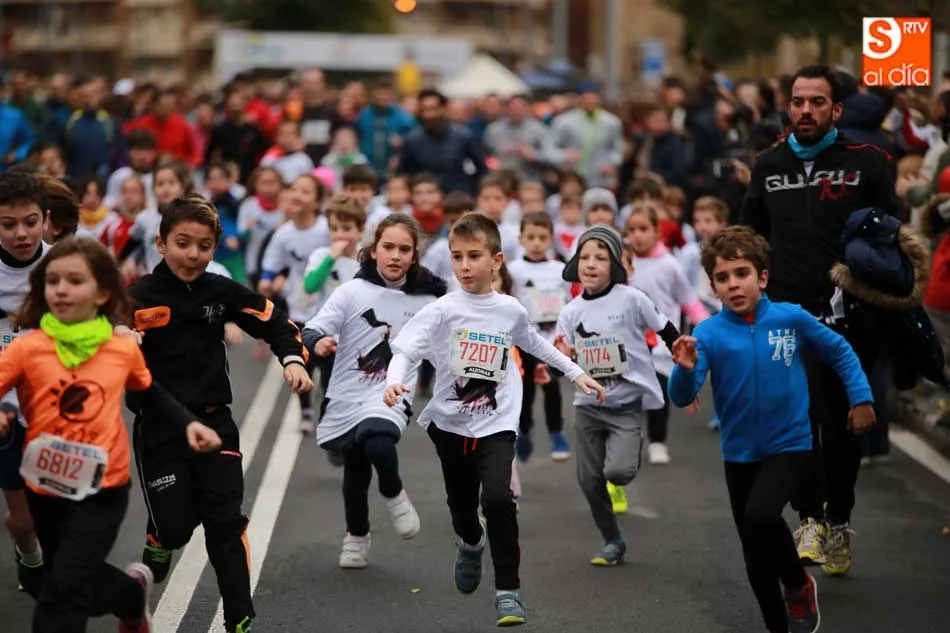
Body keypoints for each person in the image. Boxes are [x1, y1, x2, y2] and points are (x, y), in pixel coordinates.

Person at [383, 212, 604, 627]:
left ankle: (508, 591)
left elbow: (534, 342)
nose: (464, 266)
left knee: (499, 499)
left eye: (474, 256)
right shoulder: (442, 310)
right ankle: (470, 543)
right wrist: (396, 382)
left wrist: (576, 373)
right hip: (450, 423)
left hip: (498, 422)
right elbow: (406, 350)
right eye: (457, 257)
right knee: (463, 507)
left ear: (496, 260)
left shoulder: (509, 310)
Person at [0, 236, 221, 633]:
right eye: (53, 282)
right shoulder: (27, 348)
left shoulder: (119, 348)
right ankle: (130, 596)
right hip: (46, 484)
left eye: (74, 281)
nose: (61, 290)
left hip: (103, 487)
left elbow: (147, 390)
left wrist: (189, 422)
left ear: (102, 292)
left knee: (60, 592)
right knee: (69, 576)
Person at [668, 226, 875, 633]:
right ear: (713, 286)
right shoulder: (707, 333)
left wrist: (861, 397)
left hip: (791, 445)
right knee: (754, 553)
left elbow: (840, 351)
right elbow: (682, 395)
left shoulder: (790, 318)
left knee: (762, 517)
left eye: (742, 273)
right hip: (739, 453)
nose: (733, 284)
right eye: (723, 278)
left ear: (762, 277)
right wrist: (683, 367)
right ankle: (778, 624)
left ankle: (798, 584)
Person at [740, 64, 899, 575]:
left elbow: (891, 236)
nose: (806, 110)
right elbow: (749, 237)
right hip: (786, 317)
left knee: (842, 425)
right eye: (798, 101)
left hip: (850, 317)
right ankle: (808, 516)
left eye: (817, 102)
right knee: (796, 423)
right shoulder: (767, 164)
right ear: (788, 107)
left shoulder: (868, 162)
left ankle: (838, 519)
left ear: (836, 110)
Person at [129, 194, 313, 633]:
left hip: (215, 423)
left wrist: (292, 359)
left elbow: (274, 322)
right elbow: (92, 338)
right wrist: (118, 336)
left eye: (204, 245)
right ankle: (160, 536)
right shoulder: (135, 297)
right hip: (160, 429)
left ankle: (239, 618)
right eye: (183, 243)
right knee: (176, 530)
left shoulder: (220, 291)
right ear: (161, 243)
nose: (193, 254)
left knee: (225, 524)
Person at [302, 213, 446, 568]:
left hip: (391, 393)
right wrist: (319, 342)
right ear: (373, 250)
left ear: (414, 256)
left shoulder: (432, 298)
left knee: (378, 439)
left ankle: (394, 493)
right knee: (355, 470)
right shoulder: (352, 291)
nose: (395, 256)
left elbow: (455, 339)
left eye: (404, 249)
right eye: (388, 247)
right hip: (347, 391)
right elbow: (312, 328)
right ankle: (356, 535)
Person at [553, 224, 680, 565]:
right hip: (588, 406)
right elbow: (558, 356)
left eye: (601, 257)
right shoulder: (571, 312)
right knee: (589, 481)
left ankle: (634, 445)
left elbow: (664, 327)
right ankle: (612, 539)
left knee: (617, 473)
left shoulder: (632, 299)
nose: (591, 264)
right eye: (585, 257)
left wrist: (679, 350)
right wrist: (560, 355)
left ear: (616, 266)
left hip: (625, 404)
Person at [507, 212, 573, 462]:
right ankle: (524, 430)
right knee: (525, 391)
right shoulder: (513, 269)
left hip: (552, 339)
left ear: (550, 239)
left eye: (542, 238)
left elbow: (570, 302)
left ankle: (556, 432)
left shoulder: (560, 270)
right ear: (520, 239)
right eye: (531, 237)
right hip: (524, 340)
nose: (536, 243)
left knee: (552, 385)